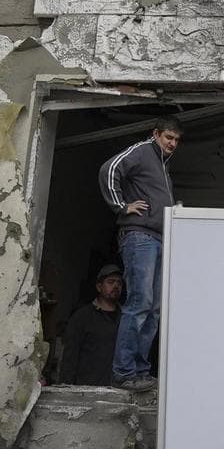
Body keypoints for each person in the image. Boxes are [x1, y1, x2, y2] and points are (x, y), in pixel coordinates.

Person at [99, 114, 181, 391]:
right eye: (169, 137)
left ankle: (140, 371)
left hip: (159, 238)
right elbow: (109, 170)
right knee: (140, 303)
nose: (172, 143)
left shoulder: (162, 165)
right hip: (139, 236)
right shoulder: (143, 151)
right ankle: (123, 372)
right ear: (155, 134)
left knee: (155, 309)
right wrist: (122, 206)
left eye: (176, 140)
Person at [55, 264, 124, 386]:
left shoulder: (126, 317)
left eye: (119, 283)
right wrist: (65, 384)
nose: (116, 286)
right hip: (87, 388)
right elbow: (70, 355)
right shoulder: (82, 317)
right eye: (111, 282)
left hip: (119, 388)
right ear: (99, 287)